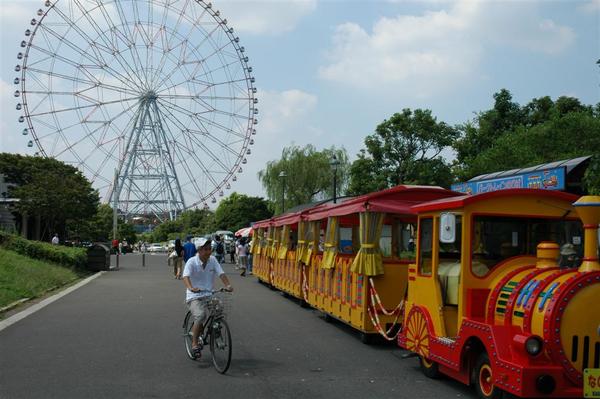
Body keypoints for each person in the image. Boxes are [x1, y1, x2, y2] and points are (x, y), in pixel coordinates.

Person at [182, 237, 233, 358]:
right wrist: (191, 287)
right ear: (199, 250)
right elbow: (185, 276)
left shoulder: (213, 260)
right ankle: (194, 344)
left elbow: (221, 274)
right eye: (206, 249)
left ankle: (216, 334)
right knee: (200, 315)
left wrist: (228, 285)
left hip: (209, 293)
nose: (209, 252)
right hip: (194, 295)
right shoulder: (191, 262)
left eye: (210, 249)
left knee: (219, 308)